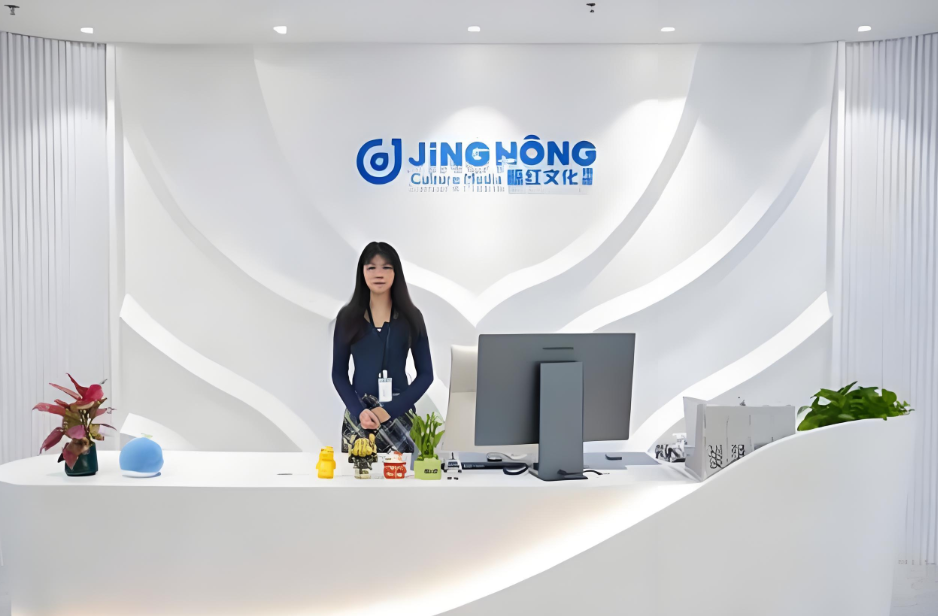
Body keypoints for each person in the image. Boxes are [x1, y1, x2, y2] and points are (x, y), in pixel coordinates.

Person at [332, 242, 433, 453]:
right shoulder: (347, 317)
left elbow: (426, 375)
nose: (379, 274)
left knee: (401, 474)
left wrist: (389, 410)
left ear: (396, 272)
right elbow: (338, 374)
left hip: (400, 416)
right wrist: (360, 412)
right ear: (362, 272)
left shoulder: (412, 317)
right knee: (356, 473)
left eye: (386, 267)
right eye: (371, 267)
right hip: (360, 417)